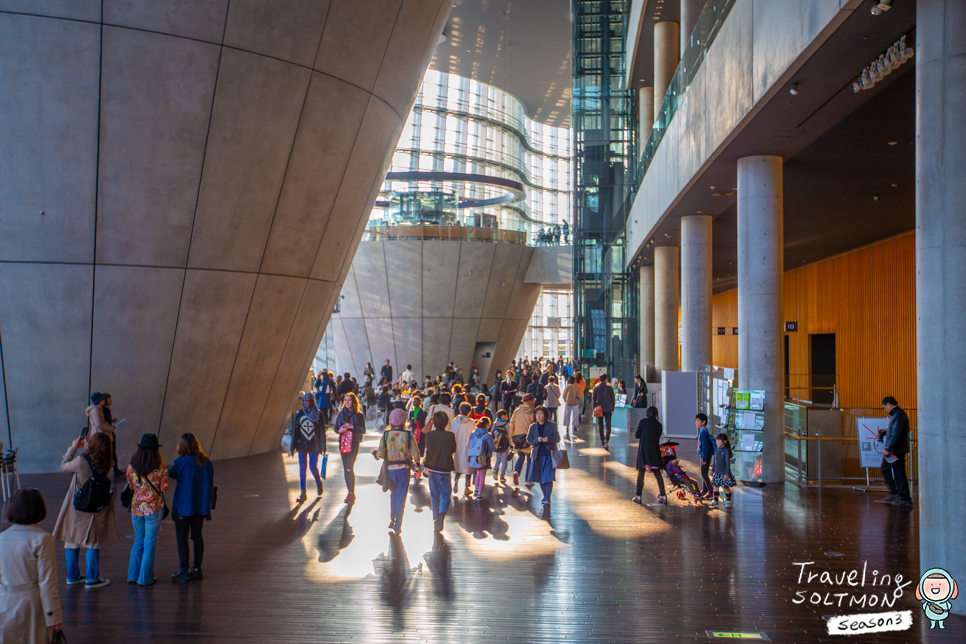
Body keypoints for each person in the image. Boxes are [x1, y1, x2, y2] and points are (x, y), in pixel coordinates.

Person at [53, 432, 118, 588]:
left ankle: (73, 576)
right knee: (93, 542)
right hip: (95, 506)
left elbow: (63, 465)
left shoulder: (82, 461)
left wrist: (73, 447)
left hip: (78, 506)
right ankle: (91, 578)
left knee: (71, 540)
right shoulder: (107, 462)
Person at [0, 489, 62, 644]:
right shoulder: (42, 539)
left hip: (4, 602)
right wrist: (53, 616)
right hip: (31, 606)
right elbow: (48, 583)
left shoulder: (2, 538)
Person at [168, 433, 215, 582]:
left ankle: (183, 572)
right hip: (200, 506)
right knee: (197, 536)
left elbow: (172, 474)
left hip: (183, 506)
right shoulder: (206, 461)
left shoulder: (181, 462)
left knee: (182, 539)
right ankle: (197, 569)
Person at [125, 434, 169, 586]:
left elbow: (131, 485)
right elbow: (165, 487)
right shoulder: (161, 467)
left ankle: (132, 575)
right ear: (156, 449)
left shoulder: (132, 467)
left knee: (138, 541)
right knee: (150, 542)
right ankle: (145, 578)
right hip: (154, 509)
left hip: (136, 508)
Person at [374, 409, 420, 535]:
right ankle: (398, 525)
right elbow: (415, 451)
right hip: (404, 470)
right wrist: (418, 466)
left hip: (390, 470)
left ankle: (392, 517)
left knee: (393, 493)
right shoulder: (408, 434)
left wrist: (377, 454)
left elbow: (381, 453)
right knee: (402, 497)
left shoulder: (386, 434)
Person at [423, 411, 458, 533]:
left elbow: (426, 446)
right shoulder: (450, 435)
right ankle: (442, 512)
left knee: (434, 495)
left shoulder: (430, 435)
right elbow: (453, 449)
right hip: (444, 469)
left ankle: (435, 518)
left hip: (431, 468)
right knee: (446, 494)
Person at [291, 393, 326, 502]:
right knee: (302, 468)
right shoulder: (299, 414)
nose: (308, 403)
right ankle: (303, 493)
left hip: (314, 445)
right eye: (306, 401)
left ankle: (318, 482)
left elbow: (321, 432)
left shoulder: (318, 414)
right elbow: (295, 431)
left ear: (313, 402)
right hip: (302, 444)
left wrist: (323, 446)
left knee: (312, 466)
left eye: (310, 401)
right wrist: (292, 447)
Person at [880, 396, 912, 507]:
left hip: (896, 450)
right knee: (890, 470)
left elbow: (897, 434)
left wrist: (887, 449)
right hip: (896, 449)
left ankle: (903, 497)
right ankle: (898, 495)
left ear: (889, 405)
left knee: (898, 473)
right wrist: (887, 431)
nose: (885, 409)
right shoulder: (898, 414)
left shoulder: (898, 415)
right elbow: (896, 432)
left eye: (884, 407)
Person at [334, 393, 366, 505]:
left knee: (349, 467)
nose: (347, 402)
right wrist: (340, 431)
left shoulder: (358, 415)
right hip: (343, 443)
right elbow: (335, 428)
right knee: (345, 468)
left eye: (349, 400)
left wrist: (352, 427)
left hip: (353, 443)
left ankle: (351, 492)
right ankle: (350, 492)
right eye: (345, 400)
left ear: (353, 402)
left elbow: (363, 430)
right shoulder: (341, 414)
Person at [526, 406, 560, 507]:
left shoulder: (552, 425)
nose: (539, 416)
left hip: (549, 455)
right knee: (541, 478)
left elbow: (557, 438)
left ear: (545, 415)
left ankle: (547, 497)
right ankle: (545, 496)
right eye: (537, 414)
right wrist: (537, 440)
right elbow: (529, 439)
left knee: (548, 477)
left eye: (540, 414)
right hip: (537, 455)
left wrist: (548, 439)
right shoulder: (533, 427)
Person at [634, 406, 667, 505]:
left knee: (641, 474)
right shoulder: (659, 425)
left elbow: (637, 435)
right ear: (656, 414)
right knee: (658, 474)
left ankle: (638, 496)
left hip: (644, 451)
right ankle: (663, 496)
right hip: (654, 452)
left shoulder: (643, 422)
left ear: (647, 413)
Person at [87, 391, 124, 477]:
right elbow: (99, 424)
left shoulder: (98, 409)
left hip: (101, 434)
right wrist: (110, 428)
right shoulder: (95, 410)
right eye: (103, 399)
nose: (104, 400)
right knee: (101, 453)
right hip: (99, 435)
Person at [509, 393, 536, 488]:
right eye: (533, 400)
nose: (534, 402)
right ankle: (528, 480)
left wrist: (511, 438)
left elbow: (511, 425)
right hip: (529, 439)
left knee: (520, 457)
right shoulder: (533, 412)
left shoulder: (516, 412)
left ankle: (516, 471)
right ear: (529, 402)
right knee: (529, 459)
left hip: (518, 438)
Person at [451, 403, 475, 497]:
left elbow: (452, 432)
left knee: (458, 465)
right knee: (468, 467)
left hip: (457, 446)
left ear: (460, 411)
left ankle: (456, 479)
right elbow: (473, 435)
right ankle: (466, 487)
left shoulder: (455, 421)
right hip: (467, 447)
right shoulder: (471, 422)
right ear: (469, 412)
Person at [467, 417, 494, 498]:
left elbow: (469, 444)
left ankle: (475, 489)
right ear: (486, 425)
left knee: (478, 473)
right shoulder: (487, 435)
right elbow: (491, 447)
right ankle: (479, 493)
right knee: (482, 474)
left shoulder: (473, 434)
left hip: (474, 457)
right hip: (484, 457)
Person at [711, 433, 736, 508]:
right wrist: (712, 470)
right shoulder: (717, 449)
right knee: (715, 486)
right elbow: (715, 461)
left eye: (719, 441)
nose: (717, 442)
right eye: (717, 441)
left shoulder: (726, 451)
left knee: (726, 487)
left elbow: (727, 463)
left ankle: (728, 501)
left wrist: (727, 474)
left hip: (724, 473)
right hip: (717, 472)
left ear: (724, 441)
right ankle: (715, 500)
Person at [592, 374, 616, 449]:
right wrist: (613, 408)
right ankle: (606, 440)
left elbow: (593, 400)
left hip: (599, 409)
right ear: (606, 379)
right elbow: (613, 399)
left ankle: (602, 441)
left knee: (600, 426)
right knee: (608, 425)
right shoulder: (609, 388)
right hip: (608, 409)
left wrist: (594, 409)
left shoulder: (596, 388)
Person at [490, 409, 512, 482]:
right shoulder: (506, 425)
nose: (507, 417)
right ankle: (502, 476)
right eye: (506, 416)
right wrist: (511, 444)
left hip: (497, 444)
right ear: (503, 416)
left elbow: (491, 433)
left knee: (498, 458)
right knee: (504, 460)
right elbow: (509, 435)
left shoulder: (494, 423)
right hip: (505, 445)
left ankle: (495, 470)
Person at [696, 413, 714, 498]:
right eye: (696, 421)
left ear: (703, 422)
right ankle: (704, 490)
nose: (696, 423)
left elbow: (705, 446)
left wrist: (704, 458)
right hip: (706, 455)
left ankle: (710, 490)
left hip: (705, 456)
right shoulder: (704, 431)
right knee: (704, 472)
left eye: (698, 421)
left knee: (703, 473)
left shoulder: (703, 432)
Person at [561, 376, 580, 440]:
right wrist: (577, 399)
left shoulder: (567, 387)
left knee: (567, 414)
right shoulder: (576, 387)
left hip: (568, 402)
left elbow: (564, 395)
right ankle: (574, 425)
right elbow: (578, 396)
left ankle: (567, 425)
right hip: (575, 403)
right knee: (575, 415)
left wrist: (565, 400)